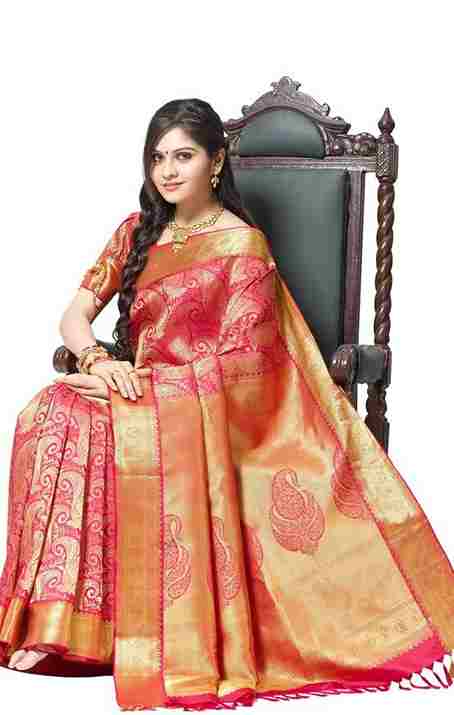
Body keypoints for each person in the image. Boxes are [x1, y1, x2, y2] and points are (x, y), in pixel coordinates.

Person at [1, 98, 454, 711]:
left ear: (215, 162)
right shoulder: (136, 232)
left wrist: (148, 391)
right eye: (157, 158)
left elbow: (249, 364)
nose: (167, 171)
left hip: (203, 412)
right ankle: (71, 627)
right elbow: (74, 316)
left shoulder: (244, 247)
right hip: (138, 392)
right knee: (52, 411)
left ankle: (136, 636)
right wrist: (98, 364)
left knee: (87, 423)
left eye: (183, 156)